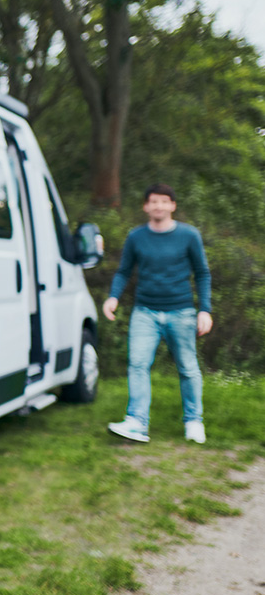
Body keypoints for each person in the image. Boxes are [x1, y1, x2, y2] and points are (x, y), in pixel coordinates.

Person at [103, 183, 212, 444]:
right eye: (153, 201)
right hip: (145, 313)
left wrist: (205, 310)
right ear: (145, 206)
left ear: (173, 206)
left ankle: (193, 421)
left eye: (164, 201)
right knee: (138, 365)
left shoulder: (189, 235)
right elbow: (123, 271)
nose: (158, 206)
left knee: (187, 368)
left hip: (182, 311)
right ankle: (137, 423)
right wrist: (113, 297)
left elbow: (203, 273)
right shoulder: (136, 237)